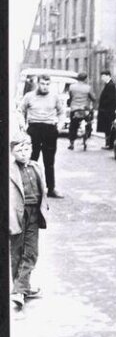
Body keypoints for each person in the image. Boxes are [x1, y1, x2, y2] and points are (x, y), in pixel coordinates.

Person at [9, 133, 49, 311]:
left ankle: (19, 289)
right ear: (12, 152)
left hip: (34, 214)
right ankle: (21, 288)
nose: (24, 153)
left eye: (27, 149)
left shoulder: (36, 166)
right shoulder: (9, 170)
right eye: (19, 150)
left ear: (32, 148)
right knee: (17, 252)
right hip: (16, 214)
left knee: (31, 251)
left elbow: (43, 190)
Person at [20, 73, 66, 198]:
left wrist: (59, 126)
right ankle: (29, 189)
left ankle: (51, 189)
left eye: (47, 84)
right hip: (34, 129)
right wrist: (23, 126)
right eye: (42, 84)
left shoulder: (54, 97)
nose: (45, 87)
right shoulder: (29, 96)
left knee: (49, 161)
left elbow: (62, 112)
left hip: (49, 129)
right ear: (37, 83)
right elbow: (20, 111)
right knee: (31, 159)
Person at [67, 72, 96, 150]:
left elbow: (70, 96)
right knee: (88, 123)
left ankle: (71, 143)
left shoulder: (71, 87)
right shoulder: (88, 88)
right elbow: (93, 98)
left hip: (74, 109)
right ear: (85, 79)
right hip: (84, 110)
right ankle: (85, 138)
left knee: (73, 126)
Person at [97, 70, 116, 149]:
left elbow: (110, 98)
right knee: (107, 128)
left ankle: (109, 144)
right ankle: (108, 143)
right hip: (106, 110)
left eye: (103, 76)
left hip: (108, 111)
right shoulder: (108, 84)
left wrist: (103, 106)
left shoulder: (111, 85)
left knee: (108, 127)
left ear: (108, 76)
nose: (102, 78)